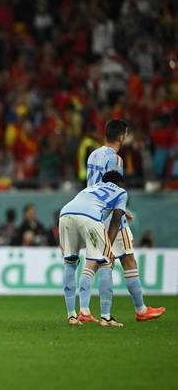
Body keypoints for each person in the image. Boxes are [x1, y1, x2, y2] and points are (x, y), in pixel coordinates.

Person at [83, 119, 164, 321]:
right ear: (121, 137)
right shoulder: (116, 159)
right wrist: (121, 209)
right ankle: (139, 310)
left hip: (94, 212)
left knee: (95, 260)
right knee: (127, 259)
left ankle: (84, 309)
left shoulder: (93, 154)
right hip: (111, 216)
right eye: (126, 134)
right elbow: (114, 188)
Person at [59, 171, 129, 327]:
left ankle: (71, 316)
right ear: (119, 183)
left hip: (65, 214)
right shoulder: (121, 192)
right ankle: (106, 317)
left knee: (70, 263)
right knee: (105, 263)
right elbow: (116, 220)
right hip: (90, 217)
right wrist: (108, 248)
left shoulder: (90, 188)